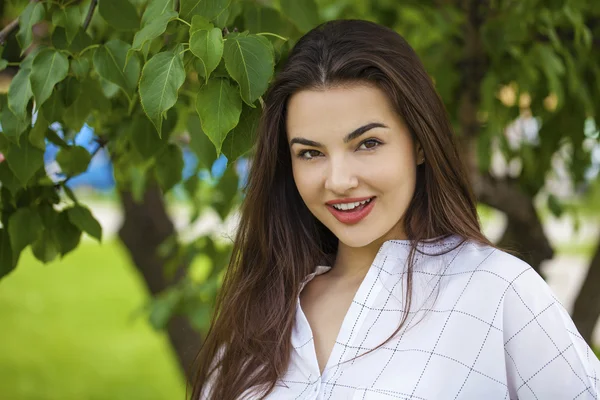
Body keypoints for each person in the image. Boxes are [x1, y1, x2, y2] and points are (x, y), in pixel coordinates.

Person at [191, 19, 600, 399]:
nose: (338, 180)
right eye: (311, 152)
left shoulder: (495, 291)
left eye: (367, 143)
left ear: (419, 143)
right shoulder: (261, 310)